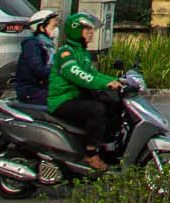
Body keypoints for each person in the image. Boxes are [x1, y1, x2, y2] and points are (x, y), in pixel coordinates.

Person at [48, 12, 123, 172]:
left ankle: (106, 146)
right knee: (96, 109)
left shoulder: (83, 53)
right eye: (87, 29)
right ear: (76, 30)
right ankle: (90, 153)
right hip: (62, 100)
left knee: (114, 104)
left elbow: (94, 74)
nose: (91, 33)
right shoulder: (65, 53)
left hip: (76, 97)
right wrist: (106, 84)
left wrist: (118, 81)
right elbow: (77, 74)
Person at [13, 9, 58, 107]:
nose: (56, 29)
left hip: (42, 88)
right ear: (41, 28)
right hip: (31, 91)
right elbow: (38, 69)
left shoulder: (48, 46)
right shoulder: (33, 45)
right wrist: (59, 73)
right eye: (53, 26)